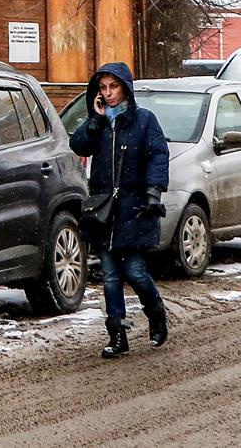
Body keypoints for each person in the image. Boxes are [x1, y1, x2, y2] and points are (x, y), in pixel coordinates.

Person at [68, 61, 170, 358]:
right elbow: (79, 145)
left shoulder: (144, 120)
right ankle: (117, 334)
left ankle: (156, 313)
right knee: (110, 276)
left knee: (135, 271)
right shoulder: (99, 122)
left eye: (114, 87)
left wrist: (153, 192)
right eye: (103, 88)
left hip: (133, 209)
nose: (109, 93)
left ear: (125, 88)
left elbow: (158, 155)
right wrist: (95, 121)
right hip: (104, 212)